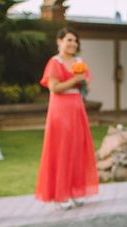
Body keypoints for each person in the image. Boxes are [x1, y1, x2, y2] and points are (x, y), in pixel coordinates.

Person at [36, 28, 99, 210]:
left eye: (75, 41)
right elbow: (54, 88)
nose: (72, 44)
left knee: (77, 147)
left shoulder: (80, 61)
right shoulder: (54, 62)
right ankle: (60, 193)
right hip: (60, 109)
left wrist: (84, 82)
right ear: (59, 41)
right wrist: (75, 79)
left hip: (77, 107)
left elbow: (87, 83)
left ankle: (76, 190)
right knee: (62, 149)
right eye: (69, 40)